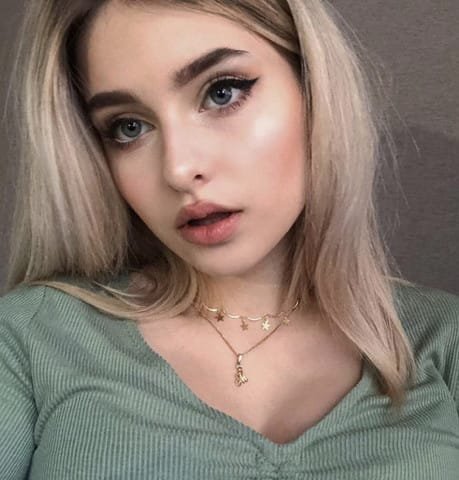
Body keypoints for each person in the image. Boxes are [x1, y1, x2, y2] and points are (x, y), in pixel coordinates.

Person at [0, 0, 458, 478]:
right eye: (128, 127)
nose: (179, 169)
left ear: (313, 86)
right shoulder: (30, 339)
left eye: (222, 93)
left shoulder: (443, 341)